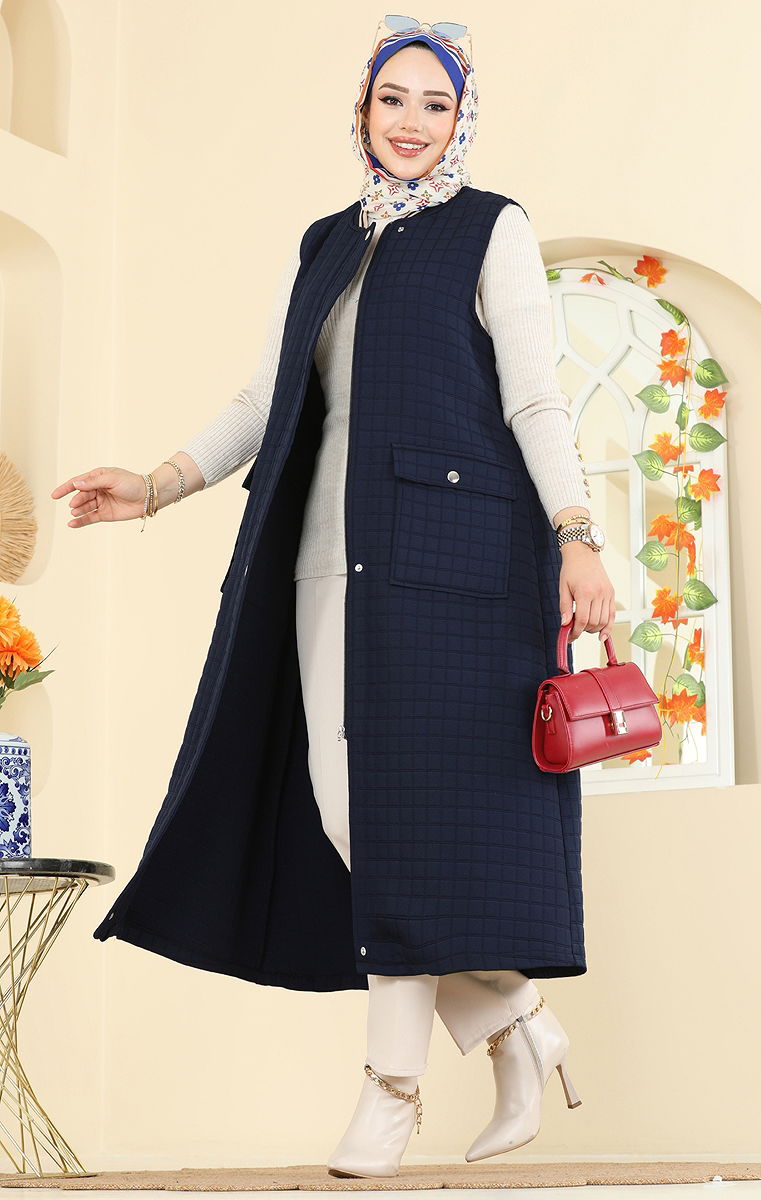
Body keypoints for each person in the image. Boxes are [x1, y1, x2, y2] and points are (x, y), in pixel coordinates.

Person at [52, 17, 615, 1181]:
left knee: (396, 825)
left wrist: (575, 533)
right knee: (344, 811)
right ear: (361, 109)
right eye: (392, 99)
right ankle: (512, 1019)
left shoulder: (490, 228)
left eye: (434, 104)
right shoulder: (324, 242)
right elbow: (265, 397)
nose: (411, 122)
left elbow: (533, 396)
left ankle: (390, 1092)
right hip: (322, 560)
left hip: (452, 574)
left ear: (461, 118)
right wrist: (155, 485)